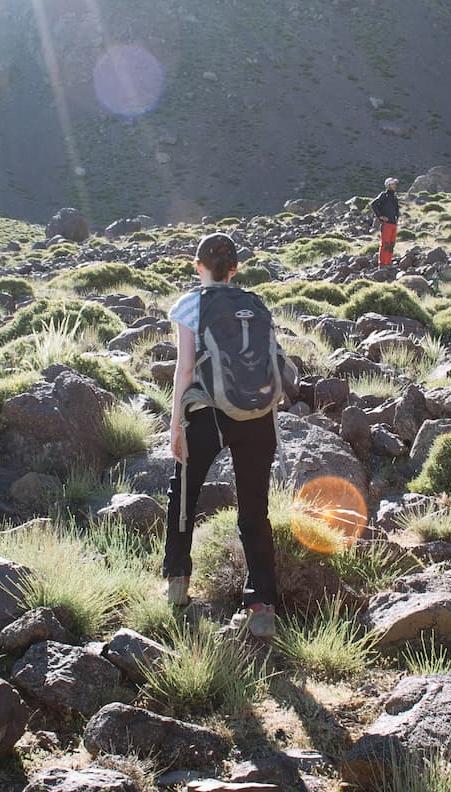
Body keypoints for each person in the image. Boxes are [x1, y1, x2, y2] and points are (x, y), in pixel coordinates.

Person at [161, 232, 280, 639]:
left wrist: (176, 423)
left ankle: (177, 582)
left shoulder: (190, 304)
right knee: (254, 509)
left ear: (198, 267)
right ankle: (262, 604)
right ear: (235, 269)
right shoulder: (257, 305)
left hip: (209, 412)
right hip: (258, 415)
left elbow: (185, 369)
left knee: (185, 493)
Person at [370, 176, 400, 267]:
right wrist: (380, 216)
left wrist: (397, 216)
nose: (395, 185)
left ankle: (388, 262)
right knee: (385, 244)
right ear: (388, 185)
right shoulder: (384, 195)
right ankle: (382, 264)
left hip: (393, 224)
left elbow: (396, 209)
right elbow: (373, 204)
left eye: (395, 184)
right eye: (393, 184)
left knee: (391, 245)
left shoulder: (394, 197)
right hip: (386, 224)